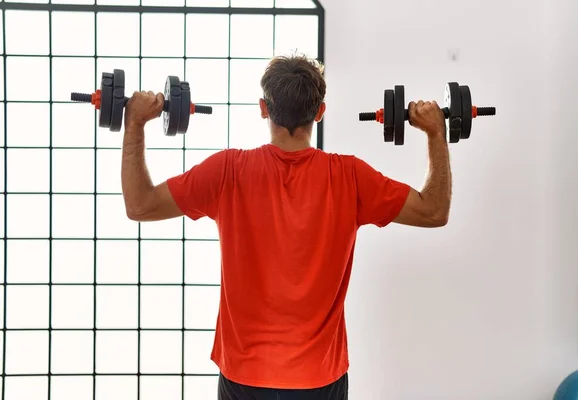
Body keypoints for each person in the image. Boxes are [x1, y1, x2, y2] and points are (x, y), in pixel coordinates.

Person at [121, 54, 451, 400]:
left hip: (245, 377)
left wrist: (135, 124)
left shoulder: (227, 172)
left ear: (264, 108)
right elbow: (433, 211)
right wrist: (434, 133)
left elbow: (140, 205)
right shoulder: (350, 178)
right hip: (319, 378)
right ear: (319, 112)